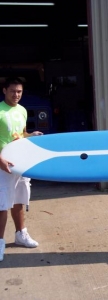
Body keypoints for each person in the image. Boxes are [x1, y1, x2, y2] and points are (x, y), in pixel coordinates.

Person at [0, 77, 43, 261]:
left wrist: (31, 135)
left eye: (19, 91)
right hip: (3, 164)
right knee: (2, 204)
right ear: (4, 90)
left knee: (19, 200)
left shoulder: (23, 110)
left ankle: (20, 235)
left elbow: (20, 134)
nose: (16, 95)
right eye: (13, 91)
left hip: (20, 163)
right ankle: (0, 242)